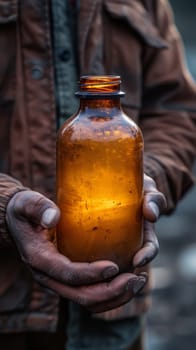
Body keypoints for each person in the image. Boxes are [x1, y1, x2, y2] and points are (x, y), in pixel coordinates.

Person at [0, 0, 195, 349]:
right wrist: (5, 204)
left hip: (116, 318)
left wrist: (145, 178)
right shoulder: (73, 131)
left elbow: (177, 110)